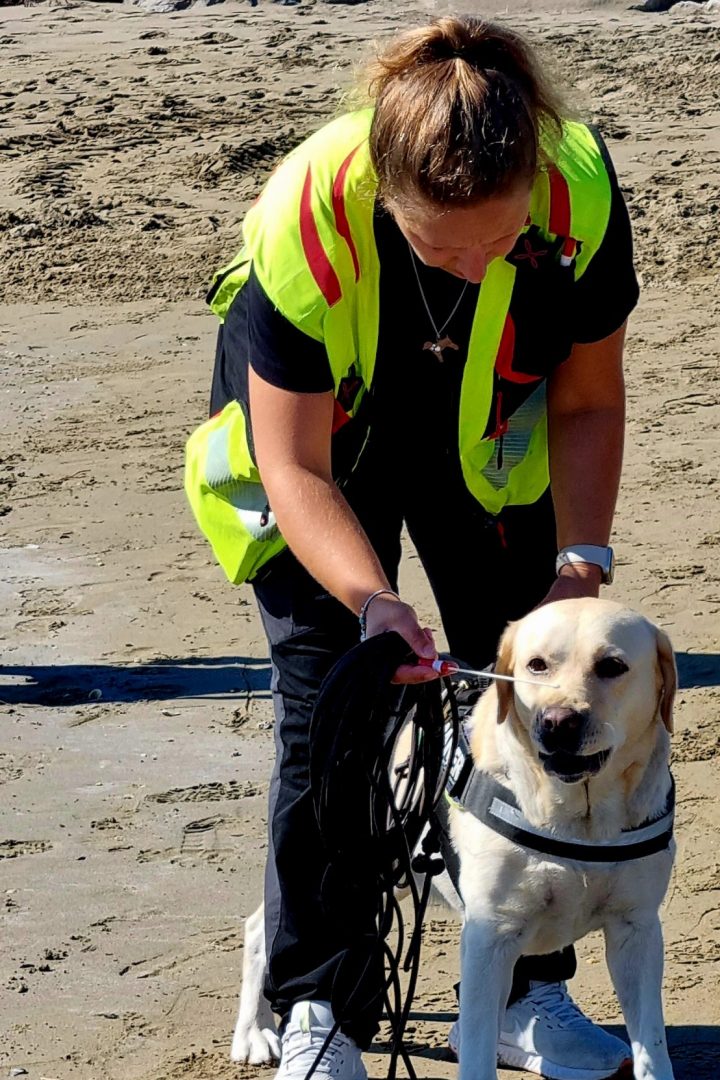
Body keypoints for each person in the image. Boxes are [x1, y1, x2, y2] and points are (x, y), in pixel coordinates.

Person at [183, 14, 639, 1080]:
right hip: (316, 446)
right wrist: (373, 600)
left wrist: (583, 557)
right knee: (329, 710)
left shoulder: (576, 188)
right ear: (387, 198)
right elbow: (292, 468)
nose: (482, 266)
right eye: (445, 244)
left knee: (527, 693)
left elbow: (585, 402)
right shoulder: (305, 218)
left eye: (502, 238)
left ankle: (530, 991)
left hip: (484, 439)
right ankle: (318, 1009)